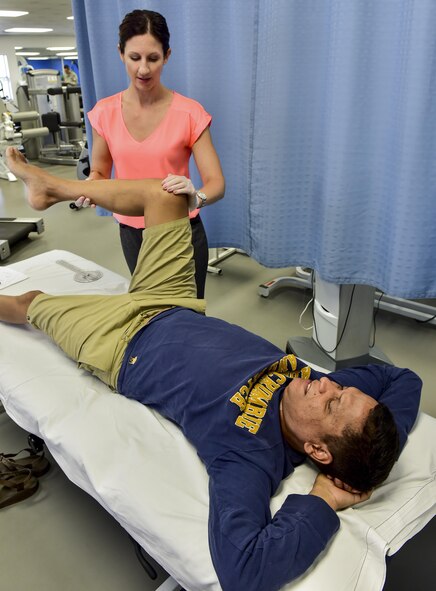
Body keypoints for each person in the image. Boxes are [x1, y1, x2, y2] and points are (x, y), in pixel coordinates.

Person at [2, 147, 422, 591]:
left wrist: (323, 499)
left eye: (333, 401)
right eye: (337, 389)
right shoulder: (325, 394)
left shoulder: (249, 456)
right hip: (175, 303)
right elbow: (403, 379)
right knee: (166, 195)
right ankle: (52, 186)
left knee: (31, 303)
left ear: (318, 452)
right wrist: (380, 456)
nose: (326, 383)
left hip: (119, 342)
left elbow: (245, 572)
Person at [86, 9, 225, 296]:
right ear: (120, 53)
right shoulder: (105, 113)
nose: (144, 69)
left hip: (181, 233)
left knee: (187, 317)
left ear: (168, 55)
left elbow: (217, 184)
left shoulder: (189, 113)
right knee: (149, 314)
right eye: (134, 58)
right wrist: (92, 186)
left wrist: (194, 196)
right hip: (131, 232)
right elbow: (99, 171)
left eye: (153, 58)